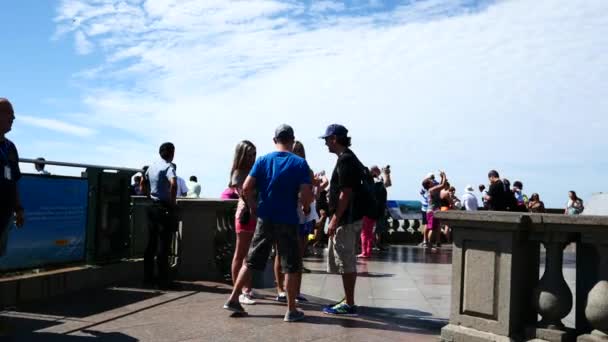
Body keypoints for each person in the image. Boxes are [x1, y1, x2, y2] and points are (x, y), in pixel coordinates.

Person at [223, 124, 313, 323]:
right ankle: (291, 310)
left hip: (265, 218)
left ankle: (233, 298)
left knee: (252, 260)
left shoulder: (263, 160)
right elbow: (307, 193)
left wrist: (255, 207)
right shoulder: (299, 163)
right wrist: (306, 207)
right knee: (291, 264)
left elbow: (246, 188)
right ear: (292, 140)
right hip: (288, 219)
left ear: (275, 140)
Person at [320, 124, 366, 316]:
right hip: (348, 218)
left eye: (326, 140)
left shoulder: (346, 160)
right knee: (345, 260)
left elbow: (345, 193)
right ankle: (348, 299)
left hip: (346, 220)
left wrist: (334, 219)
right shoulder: (348, 158)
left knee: (346, 261)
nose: (325, 144)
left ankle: (350, 304)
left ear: (334, 139)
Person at [274, 140, 318, 303]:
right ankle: (281, 290)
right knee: (282, 253)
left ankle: (294, 290)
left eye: (299, 151)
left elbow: (312, 193)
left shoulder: (305, 169)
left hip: (302, 216)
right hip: (292, 214)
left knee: (297, 256)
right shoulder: (292, 168)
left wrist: (307, 199)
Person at [0, 98, 25, 336]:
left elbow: (15, 180)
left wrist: (19, 208)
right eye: (10, 115)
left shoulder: (10, 147)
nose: (13, 119)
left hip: (4, 214)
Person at [142, 142, 179, 289]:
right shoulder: (168, 167)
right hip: (164, 208)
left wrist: (147, 195)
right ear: (171, 153)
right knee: (164, 244)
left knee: (151, 243)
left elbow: (143, 183)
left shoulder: (151, 167)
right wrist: (173, 202)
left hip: (151, 206)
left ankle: (148, 278)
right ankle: (163, 281)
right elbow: (174, 183)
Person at [227, 141, 258, 305]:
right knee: (241, 254)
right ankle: (238, 291)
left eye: (254, 154)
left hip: (253, 215)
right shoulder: (239, 172)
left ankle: (247, 289)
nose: (253, 157)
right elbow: (244, 193)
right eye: (250, 154)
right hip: (246, 215)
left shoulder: (252, 170)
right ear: (242, 155)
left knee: (249, 256)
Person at [424, 171, 447, 250]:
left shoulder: (431, 189)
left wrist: (441, 178)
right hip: (432, 211)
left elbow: (440, 186)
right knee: (432, 228)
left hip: (432, 210)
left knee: (434, 227)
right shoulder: (431, 189)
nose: (432, 181)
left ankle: (429, 243)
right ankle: (429, 244)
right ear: (429, 184)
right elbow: (443, 185)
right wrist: (444, 176)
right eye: (431, 181)